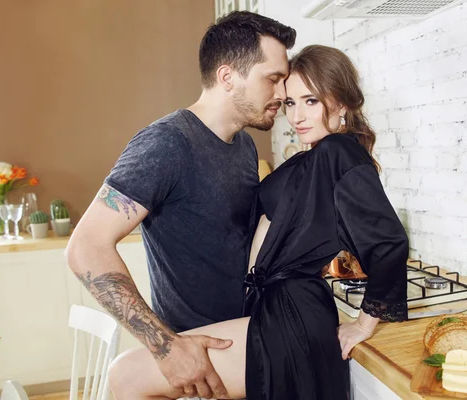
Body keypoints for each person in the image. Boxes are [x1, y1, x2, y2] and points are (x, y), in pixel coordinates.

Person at [107, 44, 410, 400]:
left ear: (341, 104)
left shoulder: (338, 152)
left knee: (126, 374)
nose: (297, 115)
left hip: (291, 316)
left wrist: (363, 323)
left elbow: (388, 242)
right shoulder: (315, 158)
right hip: (271, 309)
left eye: (311, 101)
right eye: (291, 103)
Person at [66, 11, 296, 400]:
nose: (282, 93)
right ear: (227, 77)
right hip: (198, 359)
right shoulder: (166, 144)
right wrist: (167, 348)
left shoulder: (242, 146)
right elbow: (85, 247)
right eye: (273, 78)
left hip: (242, 338)